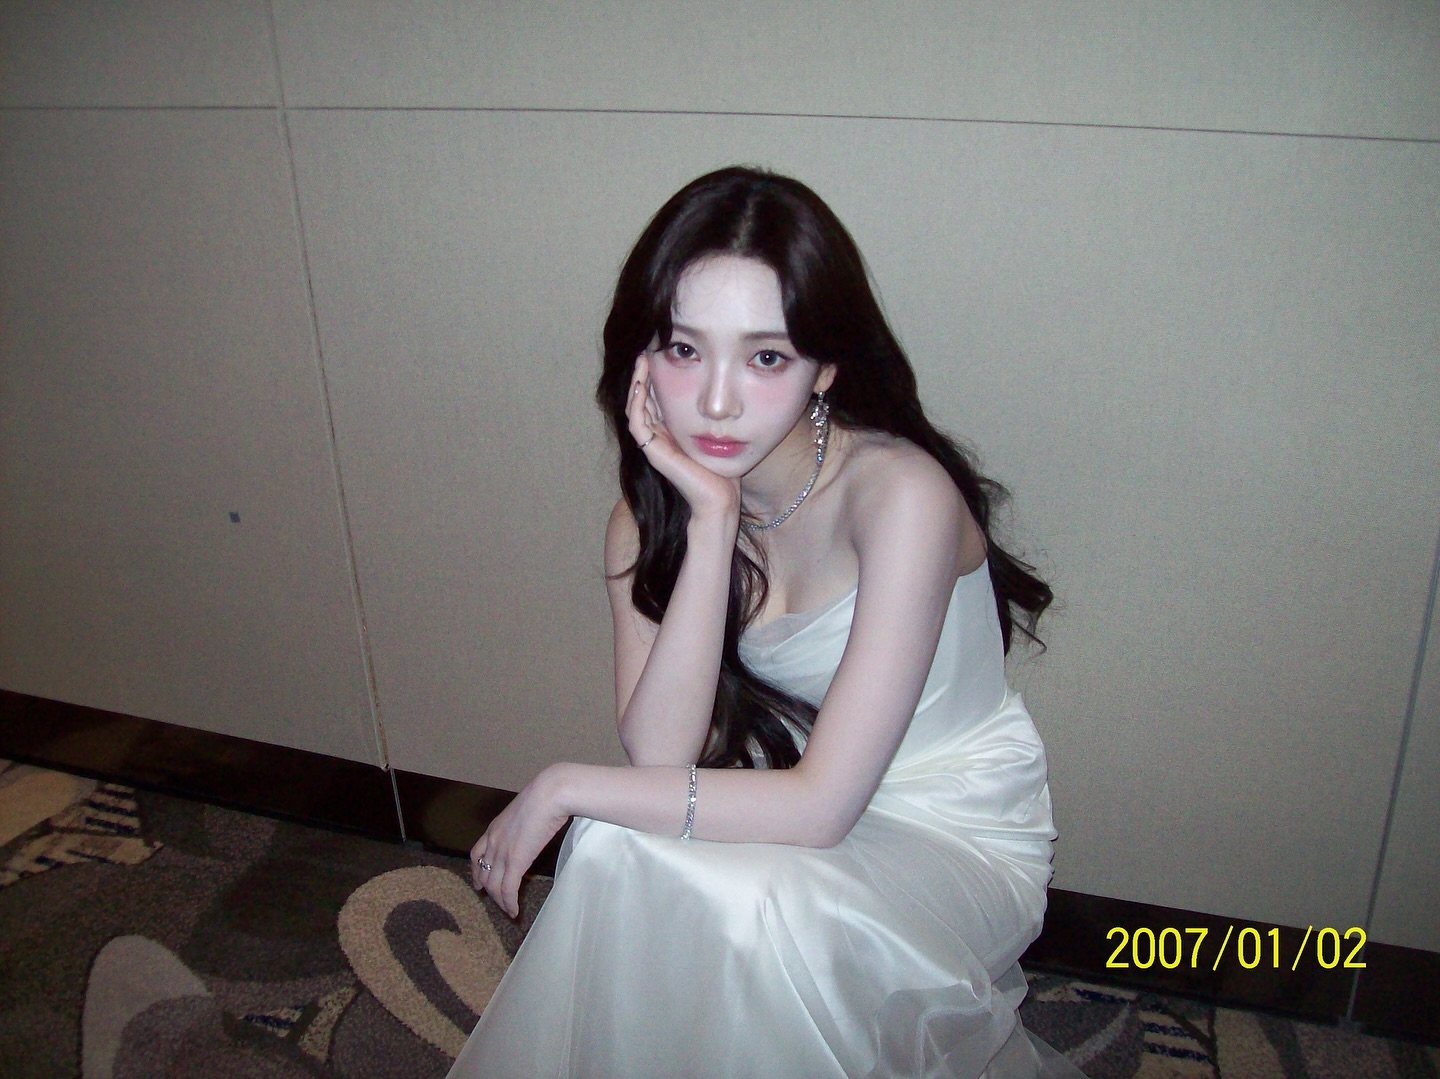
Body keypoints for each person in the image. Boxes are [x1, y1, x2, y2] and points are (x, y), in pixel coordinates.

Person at [449, 167, 1083, 1078]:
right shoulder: (648, 517)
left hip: (945, 826)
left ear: (826, 367)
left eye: (766, 358)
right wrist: (711, 524)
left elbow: (821, 811)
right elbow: (661, 754)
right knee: (623, 847)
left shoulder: (900, 496)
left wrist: (561, 784)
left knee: (738, 898)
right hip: (785, 794)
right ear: (640, 357)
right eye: (684, 349)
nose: (716, 401)